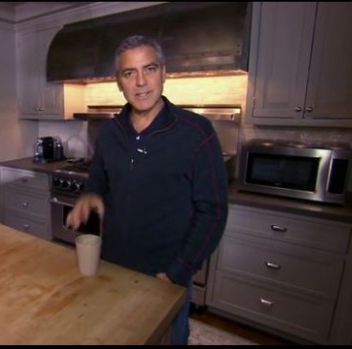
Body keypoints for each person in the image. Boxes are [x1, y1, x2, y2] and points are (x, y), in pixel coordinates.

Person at [65, 35, 228, 345]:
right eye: (129, 73)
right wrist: (90, 194)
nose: (141, 82)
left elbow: (214, 213)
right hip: (113, 268)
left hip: (165, 277)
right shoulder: (110, 132)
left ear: (164, 72)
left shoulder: (197, 133)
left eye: (149, 69)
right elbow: (99, 177)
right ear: (119, 82)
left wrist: (177, 272)